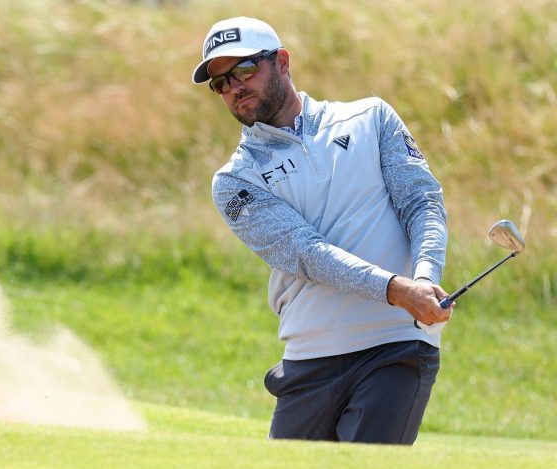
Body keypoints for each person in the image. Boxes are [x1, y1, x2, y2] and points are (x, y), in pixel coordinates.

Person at [191, 16, 453, 445]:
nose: (234, 87)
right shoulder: (236, 180)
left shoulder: (370, 118)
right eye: (220, 82)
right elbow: (307, 254)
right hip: (308, 358)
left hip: (395, 344)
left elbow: (421, 201)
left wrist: (424, 277)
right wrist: (398, 290)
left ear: (282, 62)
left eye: (244, 70)